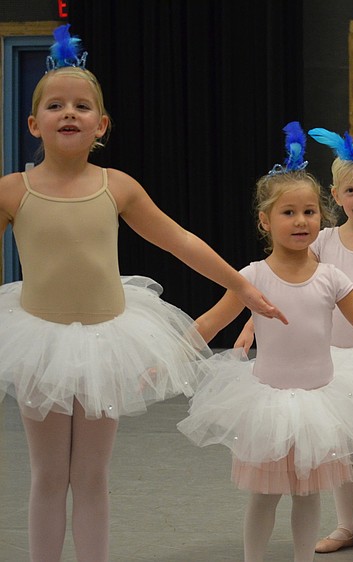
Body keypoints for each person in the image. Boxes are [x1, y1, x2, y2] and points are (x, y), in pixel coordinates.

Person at [0, 26, 284, 562]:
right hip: (38, 339)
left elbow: (179, 241)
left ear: (101, 124)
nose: (69, 113)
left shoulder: (118, 186)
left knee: (90, 474)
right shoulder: (14, 190)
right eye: (55, 105)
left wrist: (240, 284)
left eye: (82, 106)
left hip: (106, 339)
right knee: (45, 474)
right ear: (34, 123)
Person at [177, 124, 353, 562]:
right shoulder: (252, 276)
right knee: (265, 496)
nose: (300, 221)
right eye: (288, 213)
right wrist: (169, 355)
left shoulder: (332, 276)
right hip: (269, 401)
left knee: (310, 495)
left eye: (309, 212)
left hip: (319, 401)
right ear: (264, 221)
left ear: (320, 219)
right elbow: (211, 322)